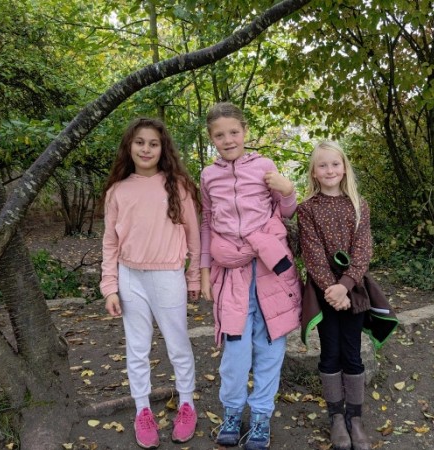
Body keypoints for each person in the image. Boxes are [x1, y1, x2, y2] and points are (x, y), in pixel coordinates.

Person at [200, 102, 302, 450]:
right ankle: (232, 412)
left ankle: (260, 417)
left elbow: (286, 212)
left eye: (234, 132)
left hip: (271, 270)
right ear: (212, 138)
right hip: (231, 273)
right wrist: (203, 273)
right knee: (235, 352)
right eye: (220, 135)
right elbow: (206, 224)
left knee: (270, 346)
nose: (228, 139)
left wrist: (287, 190)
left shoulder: (264, 166)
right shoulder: (208, 176)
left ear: (245, 131)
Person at [100, 118, 200, 449]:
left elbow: (194, 237)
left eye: (153, 143)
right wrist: (109, 287)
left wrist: (193, 275)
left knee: (178, 344)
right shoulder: (117, 190)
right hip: (130, 278)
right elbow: (110, 243)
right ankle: (142, 410)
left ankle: (187, 404)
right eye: (140, 142)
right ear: (129, 147)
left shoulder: (179, 186)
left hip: (168, 276)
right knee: (137, 348)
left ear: (162, 148)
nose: (146, 149)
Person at [296, 140, 373, 450]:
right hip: (323, 292)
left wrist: (346, 285)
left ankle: (355, 417)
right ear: (314, 172)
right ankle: (336, 417)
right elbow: (312, 253)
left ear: (344, 168)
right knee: (330, 353)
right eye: (323, 165)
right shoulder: (307, 208)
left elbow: (363, 248)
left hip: (353, 290)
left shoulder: (358, 204)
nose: (329, 170)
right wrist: (332, 289)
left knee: (352, 353)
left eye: (335, 164)